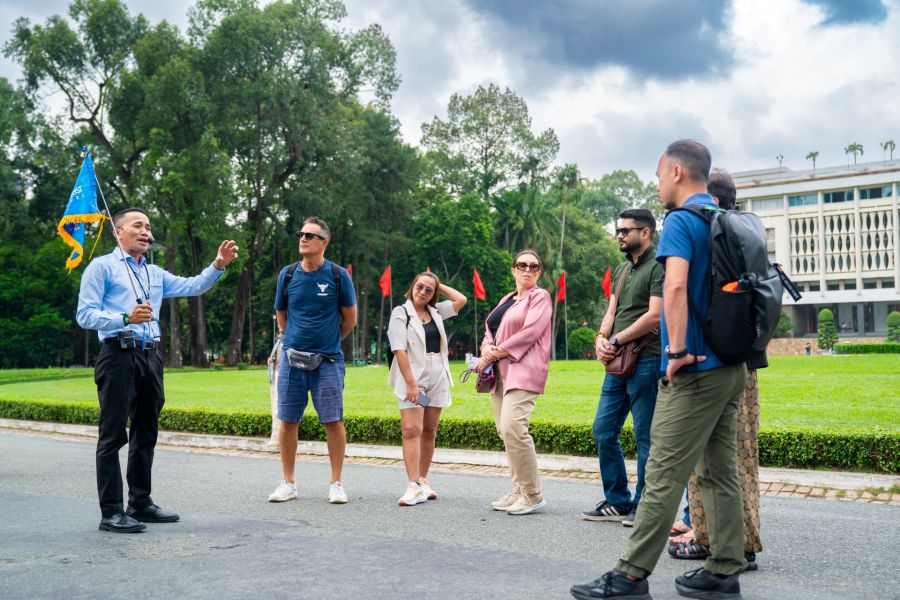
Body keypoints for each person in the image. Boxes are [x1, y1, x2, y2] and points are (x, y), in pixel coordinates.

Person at [571, 140, 747, 599]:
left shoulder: (681, 221)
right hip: (730, 367)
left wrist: (677, 351)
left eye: (657, 174)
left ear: (676, 172)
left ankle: (629, 576)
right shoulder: (724, 218)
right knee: (719, 472)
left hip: (695, 369)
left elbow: (675, 288)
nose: (656, 183)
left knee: (663, 473)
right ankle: (724, 570)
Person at [76, 207, 238, 533]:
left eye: (148, 227)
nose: (145, 232)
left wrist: (218, 265)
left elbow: (193, 286)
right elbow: (85, 315)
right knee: (113, 434)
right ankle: (111, 512)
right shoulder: (102, 267)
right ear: (118, 232)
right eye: (138, 225)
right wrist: (124, 318)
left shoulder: (155, 273)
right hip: (118, 354)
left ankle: (140, 502)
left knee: (146, 431)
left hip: (151, 356)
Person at [668, 169, 765, 572]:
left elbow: (683, 291)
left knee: (716, 463)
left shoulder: (712, 232)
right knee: (738, 457)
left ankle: (724, 544)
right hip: (744, 359)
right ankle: (729, 540)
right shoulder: (742, 233)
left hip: (713, 360)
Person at [268, 217, 357, 505]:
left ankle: (336, 483)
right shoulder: (288, 275)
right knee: (287, 421)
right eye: (301, 234)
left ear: (324, 243)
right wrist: (296, 340)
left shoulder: (338, 275)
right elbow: (282, 316)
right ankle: (288, 483)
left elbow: (350, 319)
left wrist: (327, 341)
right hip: (292, 360)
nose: (303, 239)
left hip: (328, 361)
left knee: (333, 421)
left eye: (310, 235)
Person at [582, 208, 662, 527]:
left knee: (645, 437)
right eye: (619, 230)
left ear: (645, 232)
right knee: (603, 429)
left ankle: (646, 505)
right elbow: (612, 310)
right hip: (617, 360)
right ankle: (617, 500)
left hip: (647, 357)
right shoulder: (622, 268)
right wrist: (601, 337)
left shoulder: (659, 265)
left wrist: (616, 339)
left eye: (626, 230)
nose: (620, 235)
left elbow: (655, 315)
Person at [477, 249, 552, 516]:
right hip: (501, 372)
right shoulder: (507, 300)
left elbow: (530, 332)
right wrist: (487, 348)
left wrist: (495, 352)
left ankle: (532, 493)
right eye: (522, 265)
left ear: (539, 272)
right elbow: (490, 331)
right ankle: (519, 489)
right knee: (504, 430)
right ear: (513, 269)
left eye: (534, 266)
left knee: (513, 427)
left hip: (524, 369)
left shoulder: (540, 297)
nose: (527, 269)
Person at [387, 272, 467, 505]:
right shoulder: (401, 313)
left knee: (429, 430)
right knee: (411, 429)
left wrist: (438, 286)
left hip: (437, 375)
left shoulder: (436, 311)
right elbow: (399, 350)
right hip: (413, 375)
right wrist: (411, 383)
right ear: (412, 286)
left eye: (428, 290)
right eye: (419, 286)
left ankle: (422, 480)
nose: (422, 292)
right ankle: (412, 485)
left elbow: (461, 300)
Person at [266, 333, 284, 449]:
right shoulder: (280, 339)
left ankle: (278, 438)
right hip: (275, 375)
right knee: (275, 407)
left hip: (282, 375)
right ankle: (276, 437)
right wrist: (271, 359)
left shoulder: (288, 338)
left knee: (279, 408)